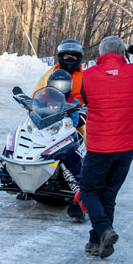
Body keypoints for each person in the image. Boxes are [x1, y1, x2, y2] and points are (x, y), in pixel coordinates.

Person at [79, 36, 133, 257]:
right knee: (108, 194)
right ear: (122, 53)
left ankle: (105, 230)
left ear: (101, 53)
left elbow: (87, 100)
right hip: (126, 148)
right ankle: (99, 242)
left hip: (99, 147)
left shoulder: (87, 77)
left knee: (89, 191)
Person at [45, 69, 87, 222]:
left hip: (65, 133)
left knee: (74, 151)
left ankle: (78, 183)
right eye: (56, 84)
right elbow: (34, 110)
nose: (59, 88)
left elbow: (75, 119)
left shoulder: (72, 101)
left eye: (63, 85)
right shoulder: (44, 98)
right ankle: (13, 176)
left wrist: (69, 120)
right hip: (44, 133)